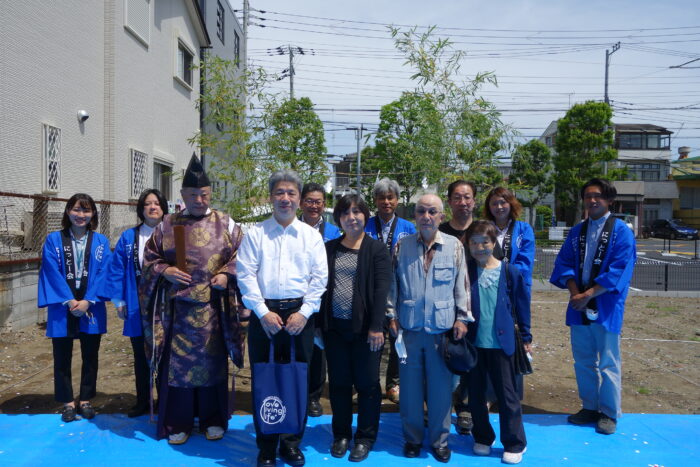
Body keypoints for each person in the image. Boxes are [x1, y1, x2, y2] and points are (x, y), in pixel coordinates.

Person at [139, 154, 244, 444]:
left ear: (211, 194)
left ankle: (213, 421)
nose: (200, 199)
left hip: (214, 310)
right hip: (179, 314)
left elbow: (243, 257)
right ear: (183, 195)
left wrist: (226, 274)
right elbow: (150, 261)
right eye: (194, 194)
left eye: (205, 194)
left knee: (213, 366)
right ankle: (178, 423)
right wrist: (166, 270)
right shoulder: (168, 225)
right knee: (179, 371)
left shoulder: (227, 224)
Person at [237, 170, 328, 467]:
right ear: (270, 197)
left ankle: (291, 443)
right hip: (265, 315)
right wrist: (262, 312)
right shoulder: (256, 234)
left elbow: (319, 279)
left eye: (291, 193)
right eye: (280, 192)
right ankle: (266, 445)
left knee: (296, 379)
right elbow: (246, 275)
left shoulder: (311, 236)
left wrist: (305, 312)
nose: (285, 198)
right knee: (264, 378)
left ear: (299, 199)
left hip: (300, 316)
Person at [387, 194, 472, 464]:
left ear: (441, 216)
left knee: (440, 390)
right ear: (415, 216)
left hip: (441, 332)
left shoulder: (455, 246)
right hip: (410, 330)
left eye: (432, 212)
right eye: (421, 211)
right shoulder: (402, 246)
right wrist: (390, 315)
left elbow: (463, 286)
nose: (426, 216)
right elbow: (393, 285)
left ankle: (439, 441)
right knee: (410, 391)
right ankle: (413, 438)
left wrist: (462, 318)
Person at [550, 178, 636, 435]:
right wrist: (577, 293)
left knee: (609, 361)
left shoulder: (622, 232)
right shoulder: (577, 231)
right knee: (583, 360)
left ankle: (609, 412)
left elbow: (619, 270)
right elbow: (564, 263)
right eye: (588, 196)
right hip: (579, 305)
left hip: (606, 304)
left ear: (610, 200)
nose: (592, 200)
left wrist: (589, 293)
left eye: (598, 196)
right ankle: (589, 406)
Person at [318, 194, 391, 462]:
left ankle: (364, 437)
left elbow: (382, 290)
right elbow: (320, 288)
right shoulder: (329, 248)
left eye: (357, 212)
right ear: (338, 218)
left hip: (366, 332)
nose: (352, 217)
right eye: (346, 213)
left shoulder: (376, 249)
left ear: (365, 216)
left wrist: (376, 326)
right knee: (338, 384)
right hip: (335, 329)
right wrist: (319, 326)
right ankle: (341, 434)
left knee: (368, 385)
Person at [38, 193, 111, 422]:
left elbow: (104, 272)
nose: (81, 215)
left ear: (93, 215)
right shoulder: (53, 239)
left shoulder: (101, 241)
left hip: (91, 303)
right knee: (62, 355)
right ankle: (68, 401)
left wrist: (88, 300)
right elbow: (51, 271)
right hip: (63, 304)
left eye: (86, 210)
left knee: (91, 354)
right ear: (68, 211)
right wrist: (70, 301)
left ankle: (86, 399)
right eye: (76, 210)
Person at [99, 188, 168, 418]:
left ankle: (167, 401)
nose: (152, 207)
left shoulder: (173, 232)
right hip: (138, 302)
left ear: (163, 207)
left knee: (167, 355)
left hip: (167, 304)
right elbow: (116, 269)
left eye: (156, 203)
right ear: (141, 209)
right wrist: (118, 300)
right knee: (141, 355)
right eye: (147, 203)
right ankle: (143, 401)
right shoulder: (129, 237)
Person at [466, 220, 530, 465]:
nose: (480, 247)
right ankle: (482, 436)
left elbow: (522, 307)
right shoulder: (467, 270)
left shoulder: (509, 272)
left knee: (507, 395)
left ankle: (514, 442)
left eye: (485, 242)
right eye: (474, 242)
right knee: (475, 394)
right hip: (474, 344)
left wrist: (526, 338)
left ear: (494, 243)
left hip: (502, 345)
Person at [364, 177, 416, 404]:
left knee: (397, 339)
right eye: (381, 197)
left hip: (399, 292)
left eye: (390, 197)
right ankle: (368, 383)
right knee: (371, 340)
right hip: (370, 292)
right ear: (375, 200)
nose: (386, 202)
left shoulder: (408, 228)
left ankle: (393, 384)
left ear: (396, 200)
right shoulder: (364, 225)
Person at [483, 186, 536, 402]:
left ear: (511, 204)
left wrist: (503, 276)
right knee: (488, 339)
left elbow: (525, 262)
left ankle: (511, 394)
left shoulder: (524, 230)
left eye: (503, 202)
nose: (499, 207)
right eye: (494, 203)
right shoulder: (486, 228)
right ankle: (488, 393)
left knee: (513, 340)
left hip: (515, 293)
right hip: (488, 292)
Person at [438, 179, 477, 434]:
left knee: (471, 358)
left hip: (476, 306)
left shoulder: (483, 230)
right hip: (444, 306)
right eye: (457, 197)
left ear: (474, 201)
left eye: (467, 197)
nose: (463, 202)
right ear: (450, 201)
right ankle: (441, 407)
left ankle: (466, 408)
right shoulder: (440, 231)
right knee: (443, 358)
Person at [300, 182, 341, 418]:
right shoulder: (292, 227)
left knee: (318, 348)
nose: (314, 206)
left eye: (318, 201)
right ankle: (296, 392)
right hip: (295, 298)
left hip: (324, 299)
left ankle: (314, 396)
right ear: (301, 203)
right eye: (310, 201)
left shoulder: (334, 232)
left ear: (324, 205)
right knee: (296, 347)